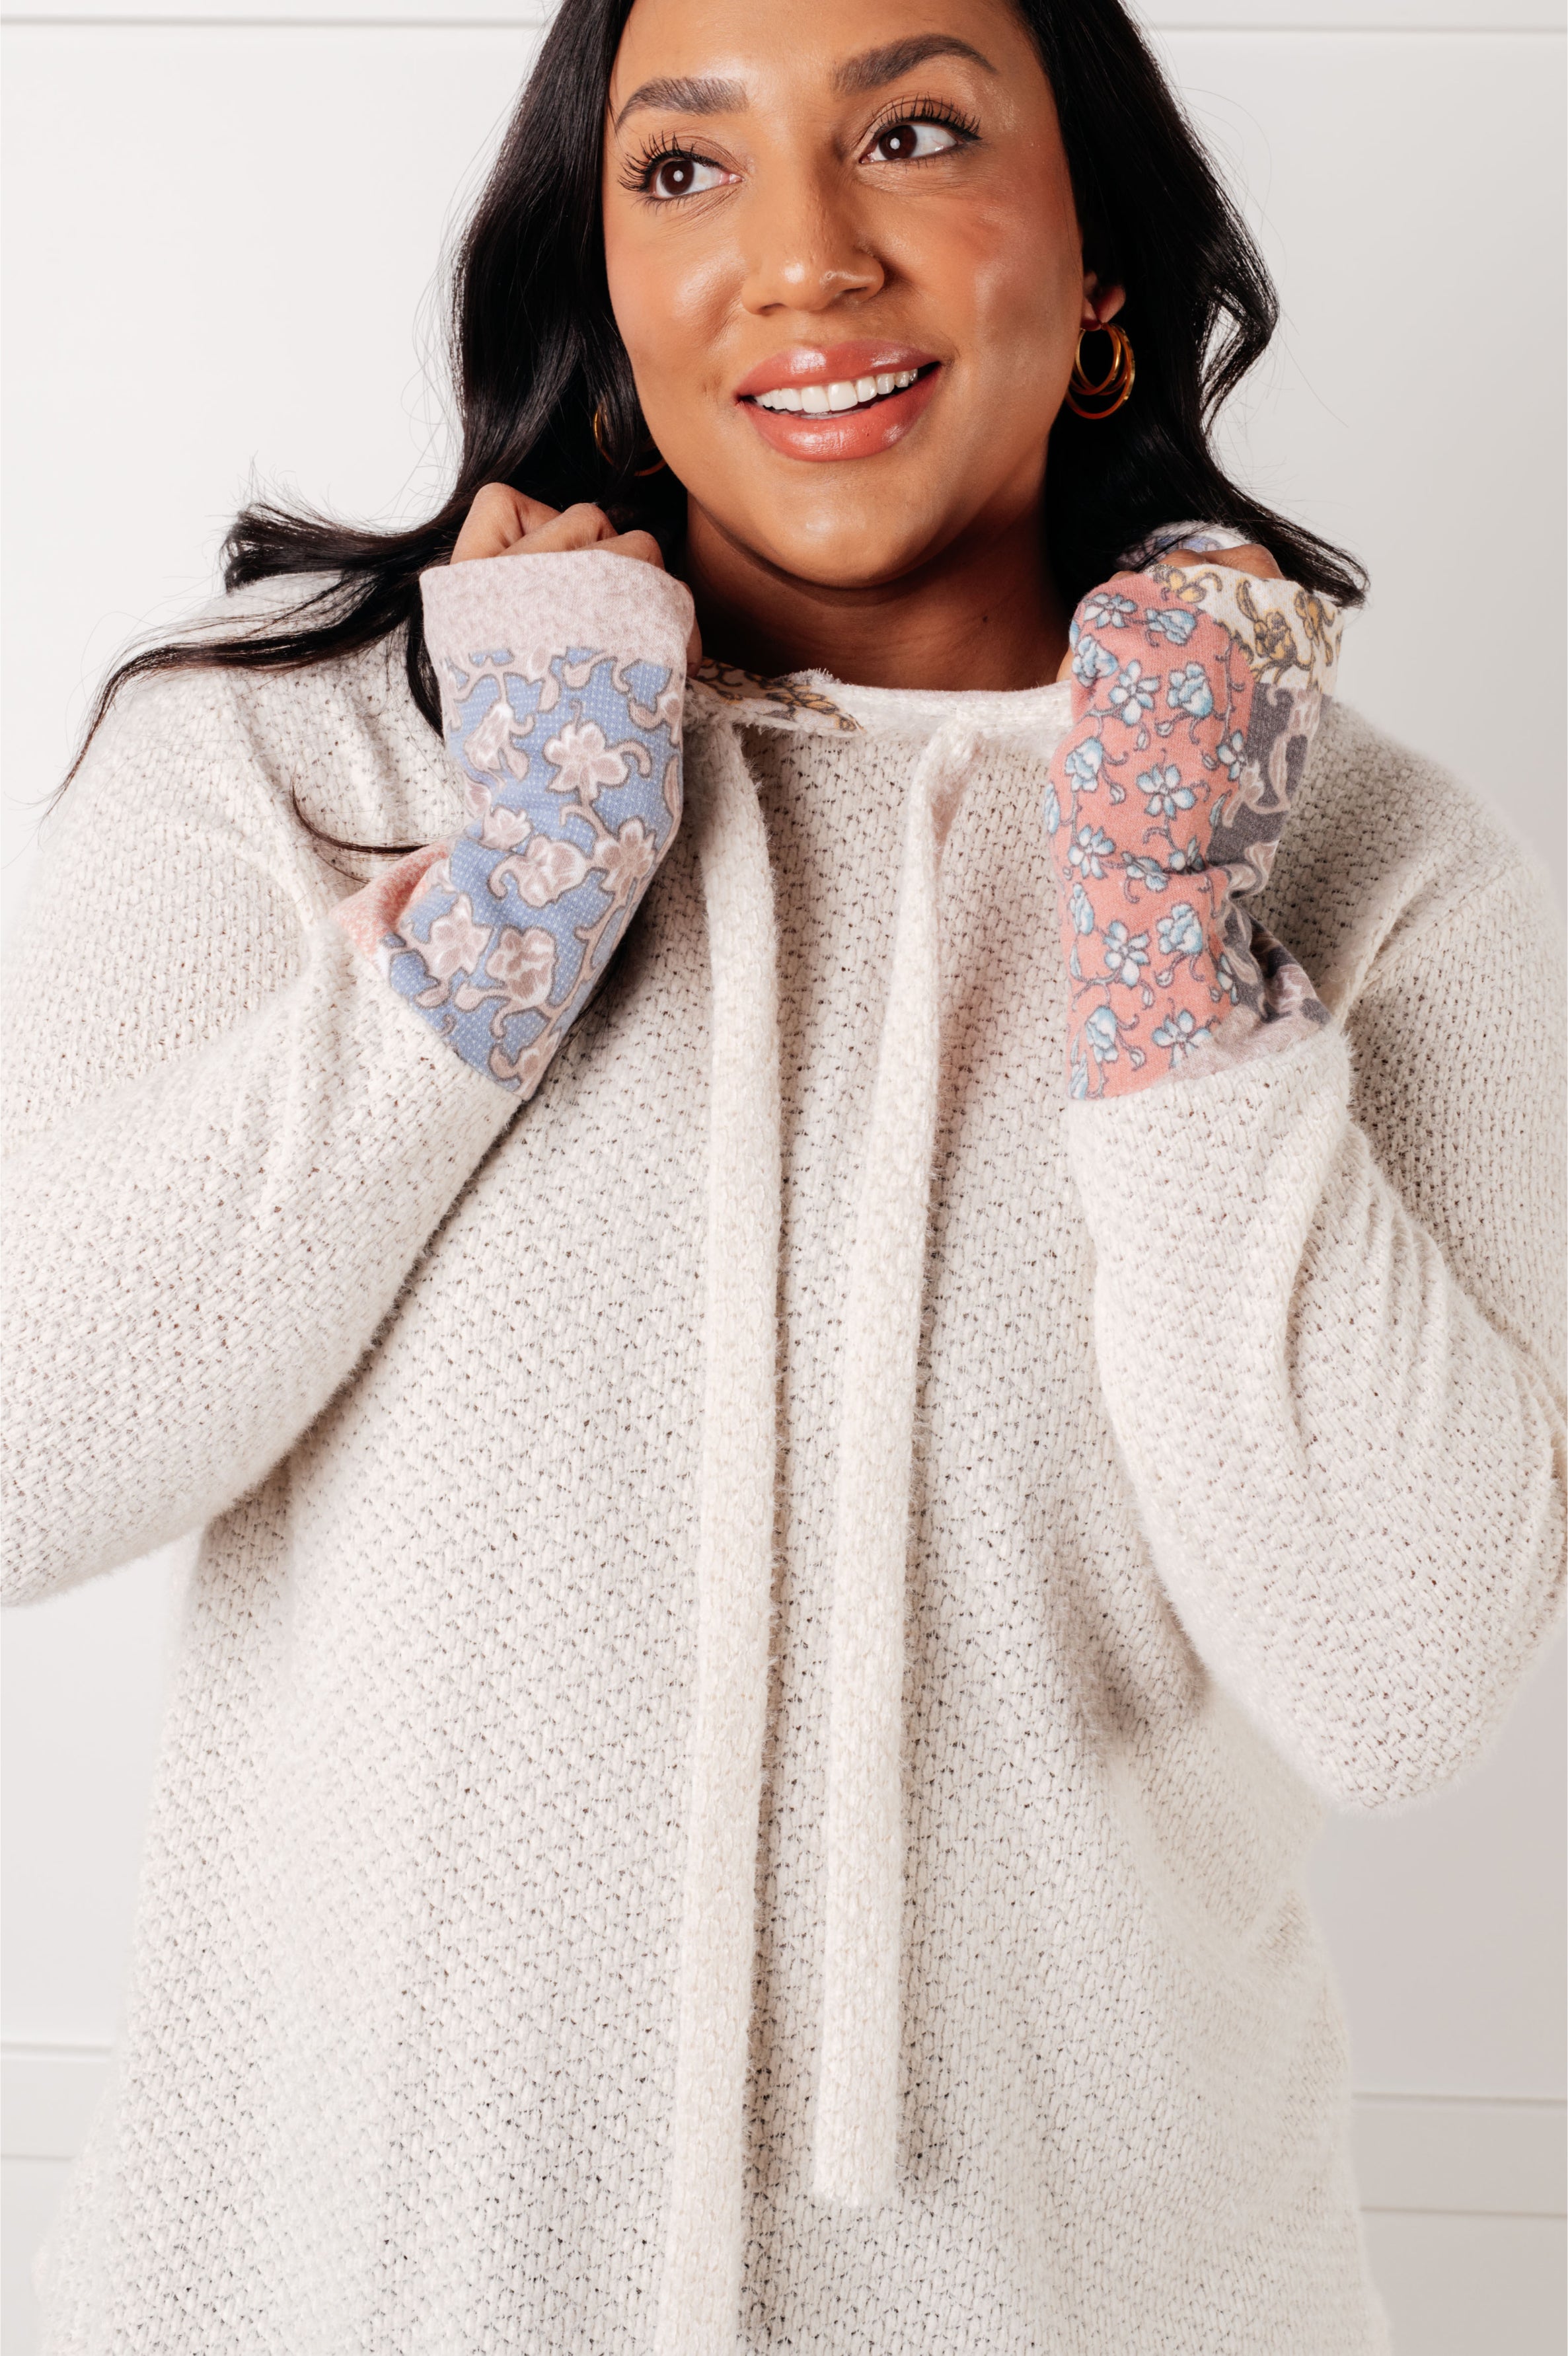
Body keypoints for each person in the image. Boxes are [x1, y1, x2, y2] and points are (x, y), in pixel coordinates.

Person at [5, 0, 1563, 2347]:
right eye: (684, 167)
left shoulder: (1369, 872)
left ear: (1100, 258)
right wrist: (514, 892)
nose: (806, 255)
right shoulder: (299, 764)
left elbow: (1404, 1678)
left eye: (912, 133)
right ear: (611, 286)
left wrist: (1165, 930)